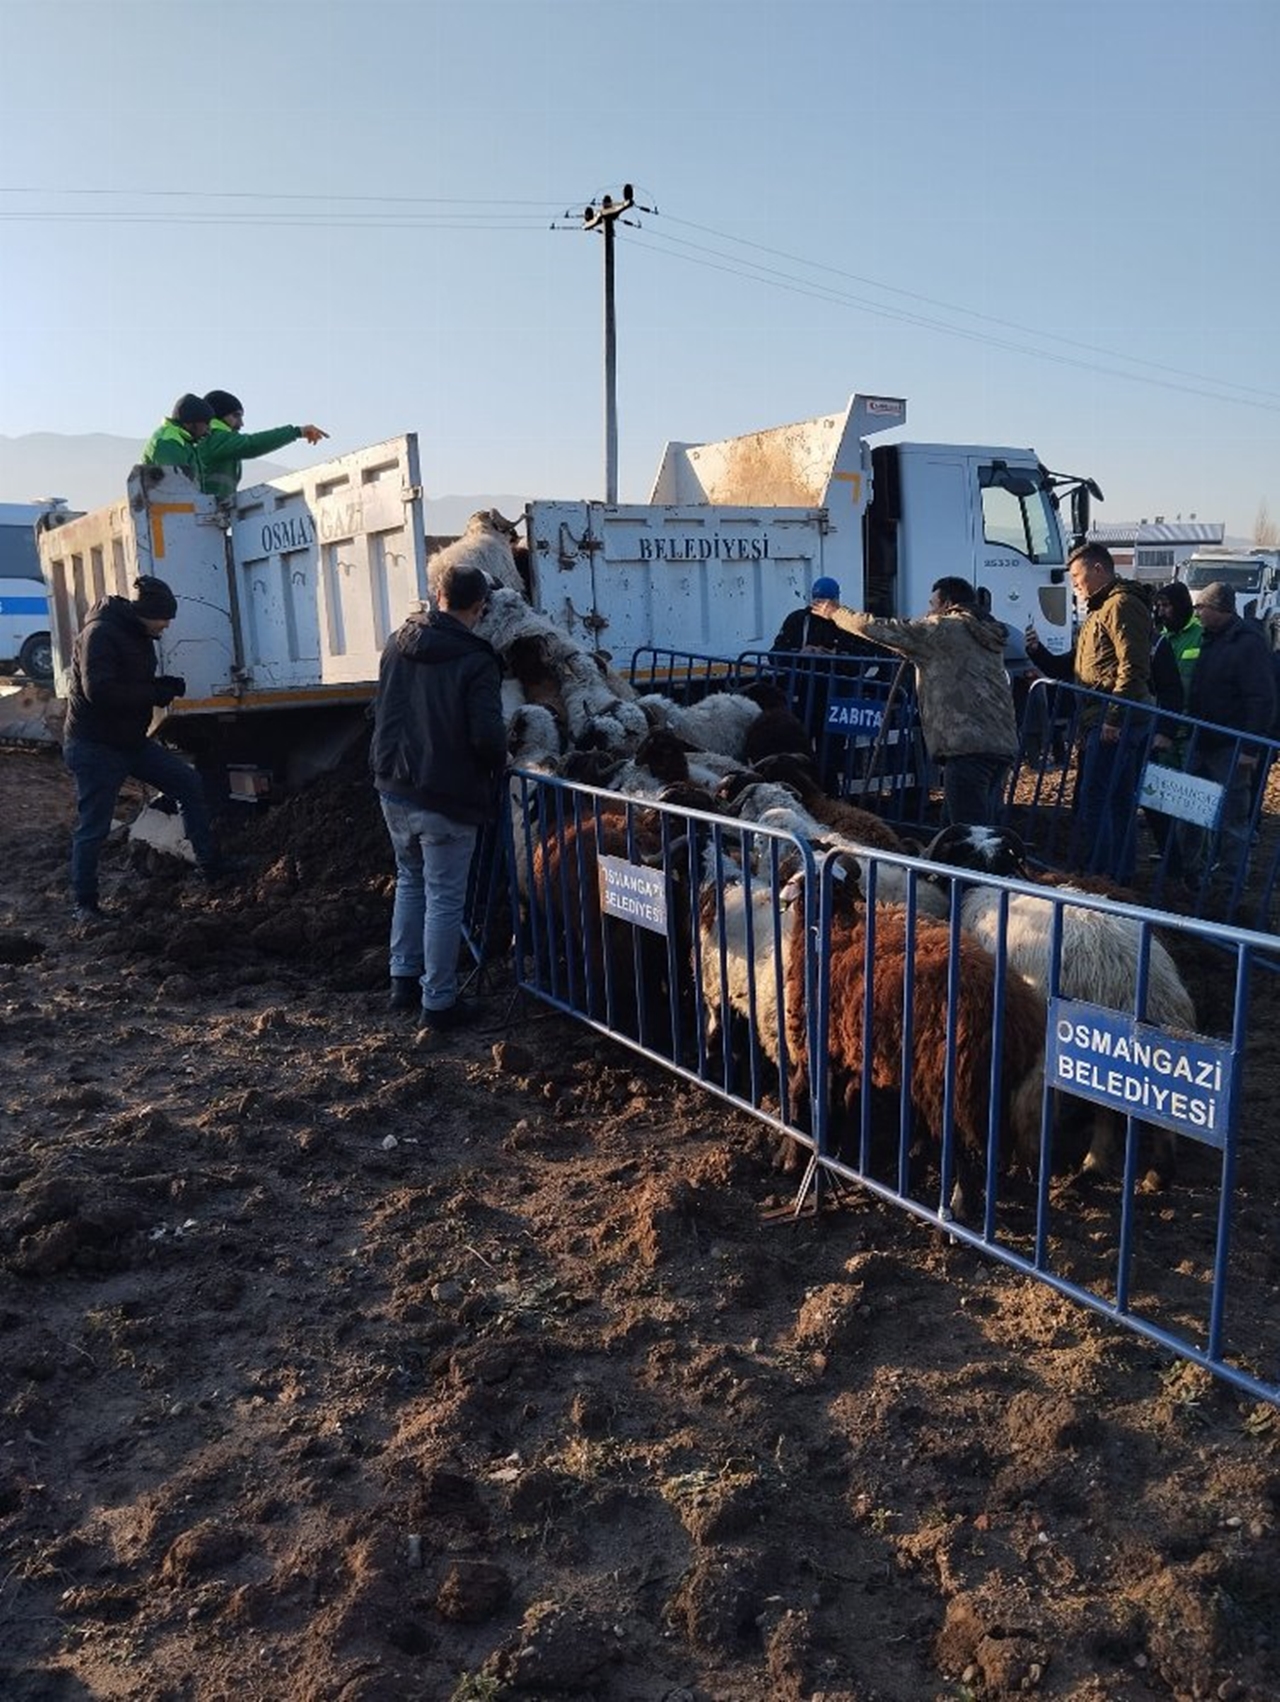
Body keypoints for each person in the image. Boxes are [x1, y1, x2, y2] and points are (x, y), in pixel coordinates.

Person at [370, 561, 506, 1030]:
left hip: (394, 786)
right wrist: (497, 767)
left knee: (410, 881)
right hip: (445, 794)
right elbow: (487, 737)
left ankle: (402, 980)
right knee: (446, 899)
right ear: (480, 606)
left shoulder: (397, 642)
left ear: (438, 595)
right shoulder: (476, 660)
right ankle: (439, 1002)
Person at [63, 575, 223, 921]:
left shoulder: (139, 633)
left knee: (189, 785)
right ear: (146, 613)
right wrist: (154, 694)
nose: (166, 626)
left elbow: (127, 681)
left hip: (131, 742)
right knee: (94, 825)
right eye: (164, 618)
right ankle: (85, 904)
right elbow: (99, 691)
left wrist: (159, 685)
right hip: (95, 746)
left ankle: (212, 868)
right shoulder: (100, 633)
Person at [811, 576, 1018, 827]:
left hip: (967, 746)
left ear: (948, 604)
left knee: (970, 834)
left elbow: (882, 629)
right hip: (1000, 744)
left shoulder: (943, 628)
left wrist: (837, 613)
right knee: (968, 826)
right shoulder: (985, 632)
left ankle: (972, 867)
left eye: (933, 604)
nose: (928, 611)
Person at [1026, 543, 1152, 883]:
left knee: (1099, 799)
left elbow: (1133, 666)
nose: (1075, 585)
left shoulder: (1122, 605)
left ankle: (1103, 874)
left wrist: (1114, 718)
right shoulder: (1098, 611)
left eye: (1078, 577)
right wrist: (1039, 655)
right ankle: (1114, 873)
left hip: (1115, 720)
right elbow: (1077, 666)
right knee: (1113, 800)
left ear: (1099, 569)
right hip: (1101, 717)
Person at [1180, 581, 1277, 900]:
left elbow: (1261, 699)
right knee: (1192, 809)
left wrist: (1250, 747)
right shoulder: (1212, 638)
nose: (1198, 614)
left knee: (1233, 819)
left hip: (1231, 746)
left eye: (1202, 608)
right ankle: (1192, 873)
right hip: (1204, 739)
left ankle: (1229, 885)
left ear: (1219, 609)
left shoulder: (1248, 644)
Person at [197, 390, 330, 501]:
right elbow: (252, 445)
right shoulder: (215, 438)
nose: (241, 424)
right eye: (236, 416)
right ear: (219, 415)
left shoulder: (216, 440)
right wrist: (296, 432)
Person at [770, 577, 858, 655]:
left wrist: (834, 655)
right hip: (803, 672)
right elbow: (775, 654)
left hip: (834, 672)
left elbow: (862, 660)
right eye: (818, 602)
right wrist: (800, 653)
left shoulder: (849, 624)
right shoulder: (797, 620)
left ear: (836, 601)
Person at [140, 394, 215, 471]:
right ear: (191, 422)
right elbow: (174, 480)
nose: (209, 430)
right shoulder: (168, 442)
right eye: (206, 423)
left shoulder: (183, 442)